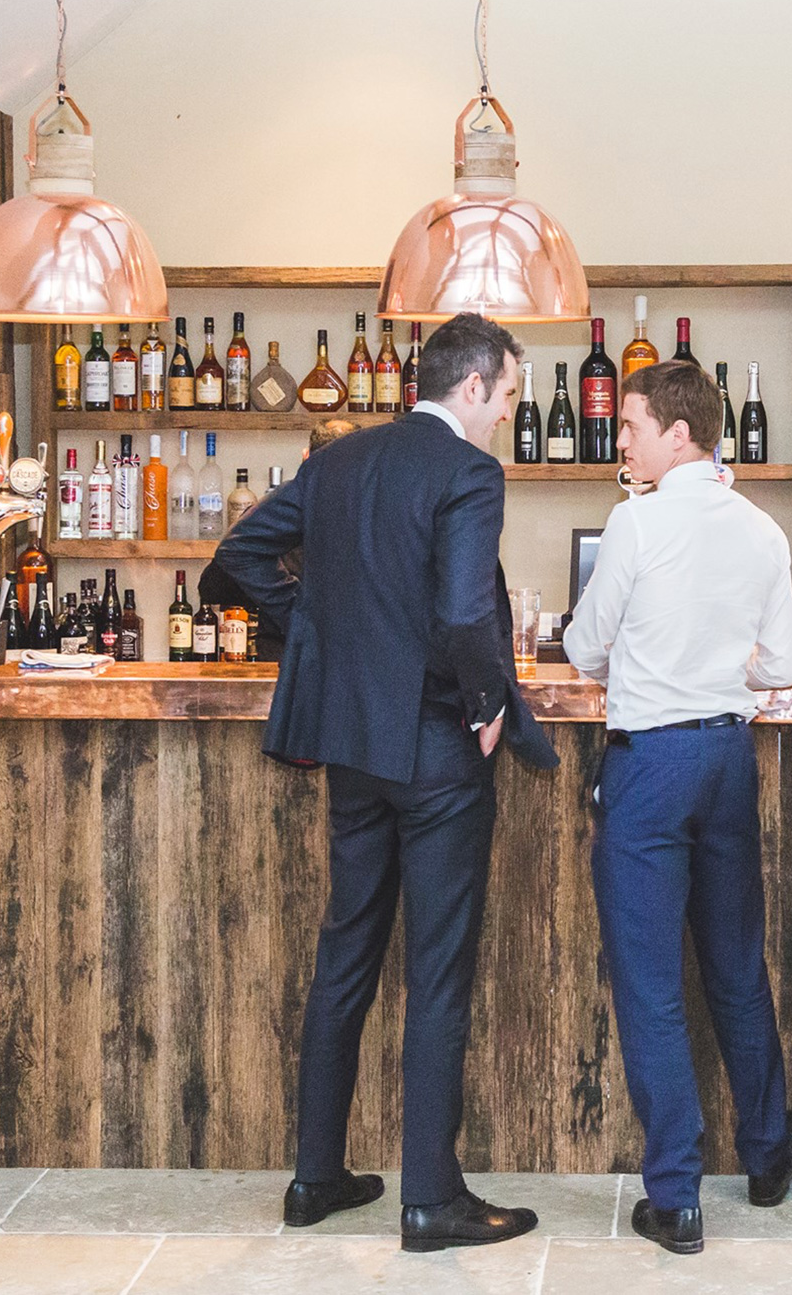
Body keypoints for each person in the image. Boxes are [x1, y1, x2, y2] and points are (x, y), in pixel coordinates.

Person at [215, 313, 557, 1251]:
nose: (508, 416)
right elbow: (458, 613)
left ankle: (315, 1177)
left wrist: (323, 625)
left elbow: (235, 560)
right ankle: (430, 1200)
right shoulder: (467, 471)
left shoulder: (342, 461)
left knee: (346, 957)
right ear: (477, 386)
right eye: (510, 396)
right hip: (441, 749)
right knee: (438, 973)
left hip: (354, 750)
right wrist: (489, 700)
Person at [563, 360, 792, 1256]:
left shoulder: (637, 520)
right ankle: (770, 1151)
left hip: (653, 763)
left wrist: (646, 661)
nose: (619, 439)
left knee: (652, 980)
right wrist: (720, 669)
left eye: (629, 425)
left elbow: (586, 646)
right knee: (736, 963)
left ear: (678, 431)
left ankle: (676, 1194)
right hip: (726, 756)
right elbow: (781, 665)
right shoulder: (761, 526)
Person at [197, 418, 358, 663]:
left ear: (305, 456)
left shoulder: (280, 509)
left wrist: (291, 607)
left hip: (282, 654)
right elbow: (215, 584)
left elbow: (213, 587)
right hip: (345, 655)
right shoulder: (373, 508)